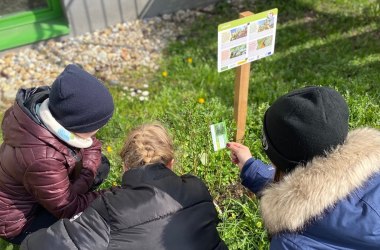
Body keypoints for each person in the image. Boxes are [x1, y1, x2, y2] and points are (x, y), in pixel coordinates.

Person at [20, 123, 228, 250]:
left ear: (125, 167)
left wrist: (29, 239)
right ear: (171, 162)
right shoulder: (197, 189)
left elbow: (42, 247)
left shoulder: (111, 209)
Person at [227, 86, 380, 249]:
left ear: (282, 163)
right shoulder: (372, 171)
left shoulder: (291, 244)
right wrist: (251, 168)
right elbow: (317, 186)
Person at [0, 64, 114, 244]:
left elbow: (92, 145)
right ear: (76, 125)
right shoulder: (42, 160)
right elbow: (68, 208)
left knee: (100, 166)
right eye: (95, 126)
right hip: (20, 221)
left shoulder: (54, 115)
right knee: (83, 230)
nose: (99, 129)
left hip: (39, 188)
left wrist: (85, 175)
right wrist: (113, 197)